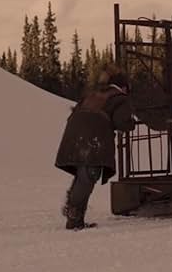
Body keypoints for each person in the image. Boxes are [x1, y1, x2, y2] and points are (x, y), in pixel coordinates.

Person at [54, 70, 136, 230]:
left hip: (73, 137)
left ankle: (75, 217)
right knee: (88, 176)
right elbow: (121, 122)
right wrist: (130, 123)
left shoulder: (94, 94)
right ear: (124, 87)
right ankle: (73, 214)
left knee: (82, 176)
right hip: (94, 140)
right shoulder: (120, 98)